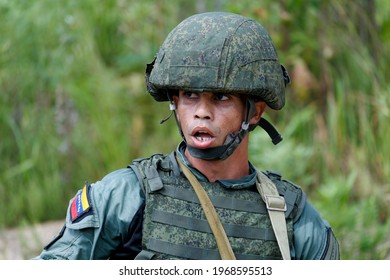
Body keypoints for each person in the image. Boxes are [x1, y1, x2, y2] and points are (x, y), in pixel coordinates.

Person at [34, 11, 339, 260]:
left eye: (221, 98)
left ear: (255, 112)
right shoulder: (127, 196)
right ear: (175, 102)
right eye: (190, 95)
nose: (202, 112)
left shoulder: (292, 215)